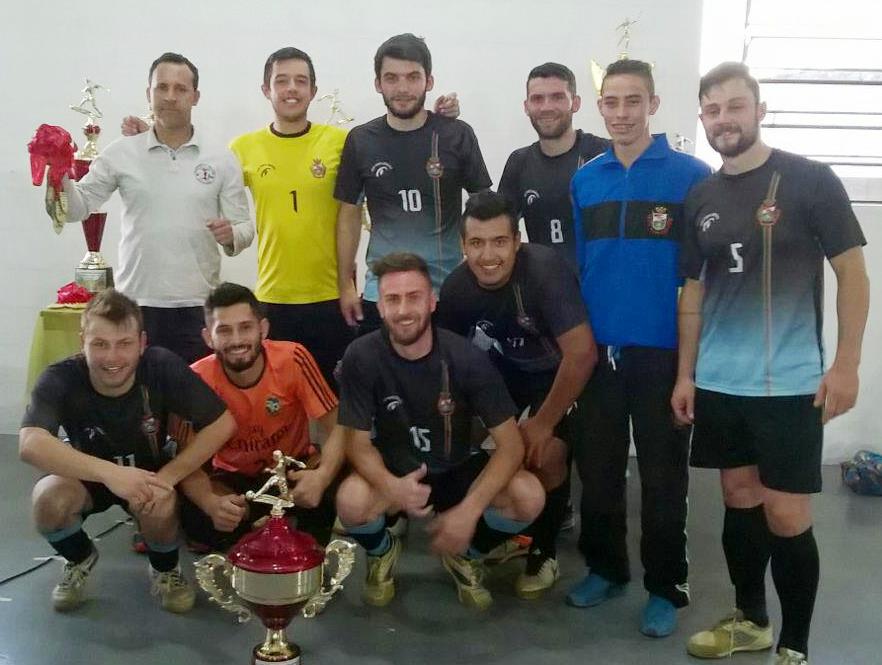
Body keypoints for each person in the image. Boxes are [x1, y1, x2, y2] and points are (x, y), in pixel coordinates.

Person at [672, 62, 869, 665]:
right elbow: (693, 292)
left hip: (789, 384)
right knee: (737, 496)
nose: (723, 119)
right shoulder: (701, 196)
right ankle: (751, 620)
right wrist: (686, 374)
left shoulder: (810, 180)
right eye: (712, 110)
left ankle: (795, 643)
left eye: (735, 107)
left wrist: (847, 365)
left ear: (760, 110)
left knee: (786, 512)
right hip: (720, 382)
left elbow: (853, 273)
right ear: (702, 118)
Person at [123, 47, 459, 386]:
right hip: (273, 299)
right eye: (281, 81)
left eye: (301, 81)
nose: (292, 89)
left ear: (314, 91)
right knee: (278, 399)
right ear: (266, 90)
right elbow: (194, 173)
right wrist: (149, 139)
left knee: (336, 395)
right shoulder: (242, 149)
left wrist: (441, 118)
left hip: (332, 298)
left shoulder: (342, 142)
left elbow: (398, 145)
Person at [568, 59, 712, 637]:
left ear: (654, 104)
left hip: (663, 356)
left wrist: (688, 368)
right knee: (599, 472)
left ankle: (665, 587)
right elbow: (581, 268)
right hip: (599, 355)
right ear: (599, 108)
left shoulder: (691, 177)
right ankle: (606, 568)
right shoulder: (587, 179)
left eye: (634, 101)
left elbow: (700, 280)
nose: (622, 113)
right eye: (612, 102)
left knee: (662, 479)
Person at [334, 252, 544, 610]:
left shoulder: (468, 359)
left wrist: (470, 511)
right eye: (393, 299)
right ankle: (382, 553)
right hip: (396, 471)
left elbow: (510, 447)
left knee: (529, 496)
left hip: (456, 469)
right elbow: (355, 441)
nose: (404, 310)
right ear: (380, 307)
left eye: (414, 297)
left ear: (432, 302)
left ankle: (468, 555)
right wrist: (390, 487)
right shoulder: (361, 355)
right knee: (350, 502)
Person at [19, 289, 236, 613]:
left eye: (124, 344)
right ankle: (79, 557)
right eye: (100, 344)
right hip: (90, 475)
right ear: (83, 341)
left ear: (142, 342)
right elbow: (29, 443)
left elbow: (223, 424)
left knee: (161, 500)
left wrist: (167, 476)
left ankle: (165, 570)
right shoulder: (61, 376)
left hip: (150, 473)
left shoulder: (161, 366)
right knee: (47, 500)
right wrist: (113, 474)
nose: (112, 358)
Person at [437, 190, 597, 599]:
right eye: (476, 243)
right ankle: (490, 528)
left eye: (499, 242)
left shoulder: (545, 271)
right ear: (463, 246)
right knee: (455, 437)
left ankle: (543, 551)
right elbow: (446, 367)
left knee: (547, 453)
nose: (488, 256)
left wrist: (542, 423)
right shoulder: (456, 289)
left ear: (517, 240)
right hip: (502, 371)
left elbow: (581, 354)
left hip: (555, 370)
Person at [63, 52, 254, 365]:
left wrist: (231, 233)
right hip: (136, 306)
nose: (170, 96)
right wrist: (59, 177)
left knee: (194, 409)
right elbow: (78, 208)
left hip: (199, 308)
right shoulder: (122, 153)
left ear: (195, 97)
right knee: (140, 408)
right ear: (147, 93)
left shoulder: (221, 158)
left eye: (180, 89)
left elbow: (245, 227)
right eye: (161, 87)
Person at [335, 33, 491, 333]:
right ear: (378, 83)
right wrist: (345, 285)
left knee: (450, 377)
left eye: (412, 77)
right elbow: (349, 216)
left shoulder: (456, 134)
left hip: (448, 292)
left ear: (429, 81)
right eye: (391, 78)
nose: (403, 88)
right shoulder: (361, 140)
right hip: (382, 293)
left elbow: (484, 211)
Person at [179, 282, 346, 550]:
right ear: (208, 338)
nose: (236, 340)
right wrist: (211, 504)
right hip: (233, 479)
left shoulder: (293, 358)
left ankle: (302, 540)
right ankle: (249, 529)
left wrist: (322, 476)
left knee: (331, 482)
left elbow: (337, 426)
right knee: (196, 516)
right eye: (224, 330)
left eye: (245, 327)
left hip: (291, 470)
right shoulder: (195, 379)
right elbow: (184, 460)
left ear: (263, 329)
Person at [498, 62, 608, 271]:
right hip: (543, 290)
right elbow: (499, 229)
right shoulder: (519, 162)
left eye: (557, 97)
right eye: (537, 99)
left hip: (597, 290)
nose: (546, 107)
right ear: (526, 106)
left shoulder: (602, 154)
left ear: (575, 103)